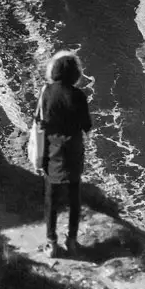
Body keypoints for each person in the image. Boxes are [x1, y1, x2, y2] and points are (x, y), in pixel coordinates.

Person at [36, 50, 92, 258]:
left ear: (55, 70)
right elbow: (87, 126)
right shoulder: (78, 95)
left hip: (52, 149)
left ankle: (51, 243)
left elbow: (40, 121)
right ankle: (72, 241)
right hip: (73, 150)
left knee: (51, 198)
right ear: (75, 73)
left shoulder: (46, 92)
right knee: (74, 197)